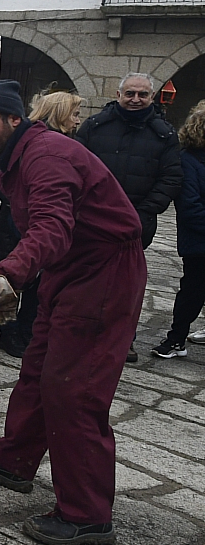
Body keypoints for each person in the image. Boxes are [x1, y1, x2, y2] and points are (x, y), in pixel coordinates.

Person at [0, 80, 145, 545]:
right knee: (38, 369)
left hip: (103, 274)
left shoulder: (47, 155)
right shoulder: (17, 158)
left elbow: (53, 226)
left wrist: (8, 275)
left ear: (15, 119)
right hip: (68, 272)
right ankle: (13, 461)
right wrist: (22, 279)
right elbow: (47, 229)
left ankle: (87, 515)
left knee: (73, 390)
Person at [76, 72, 181, 361]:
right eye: (130, 94)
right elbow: (76, 168)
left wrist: (143, 212)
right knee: (85, 281)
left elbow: (171, 179)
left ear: (151, 97)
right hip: (92, 220)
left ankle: (123, 341)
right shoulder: (95, 127)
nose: (136, 100)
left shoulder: (165, 134)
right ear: (119, 94)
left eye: (142, 95)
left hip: (136, 224)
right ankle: (80, 335)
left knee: (124, 288)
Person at [0, 91, 83, 357]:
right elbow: (1, 182)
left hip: (45, 231)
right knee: (14, 281)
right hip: (17, 227)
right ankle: (8, 333)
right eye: (74, 114)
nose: (77, 121)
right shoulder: (38, 147)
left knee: (38, 284)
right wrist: (26, 204)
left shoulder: (65, 144)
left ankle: (28, 331)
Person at [153, 101, 205, 358]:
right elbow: (190, 208)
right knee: (192, 292)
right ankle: (176, 339)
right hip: (199, 243)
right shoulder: (189, 161)